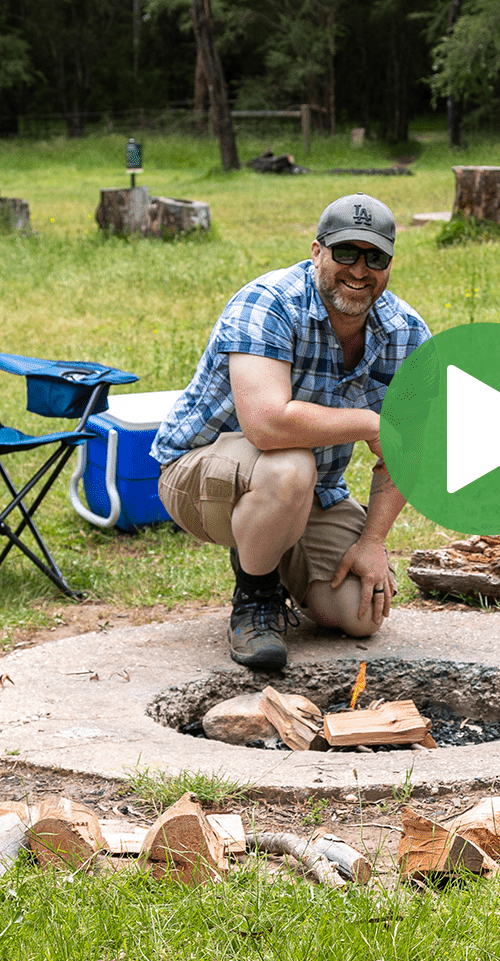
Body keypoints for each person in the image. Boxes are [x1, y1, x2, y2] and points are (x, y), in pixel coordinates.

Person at [152, 193, 430, 670]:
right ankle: (255, 599)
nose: (359, 270)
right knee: (289, 463)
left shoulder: (405, 332)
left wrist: (372, 542)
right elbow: (266, 425)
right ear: (317, 252)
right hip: (199, 476)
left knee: (359, 614)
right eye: (345, 252)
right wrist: (369, 422)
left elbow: (410, 450)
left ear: (389, 263)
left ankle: (275, 555)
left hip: (314, 491)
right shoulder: (268, 302)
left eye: (375, 257)